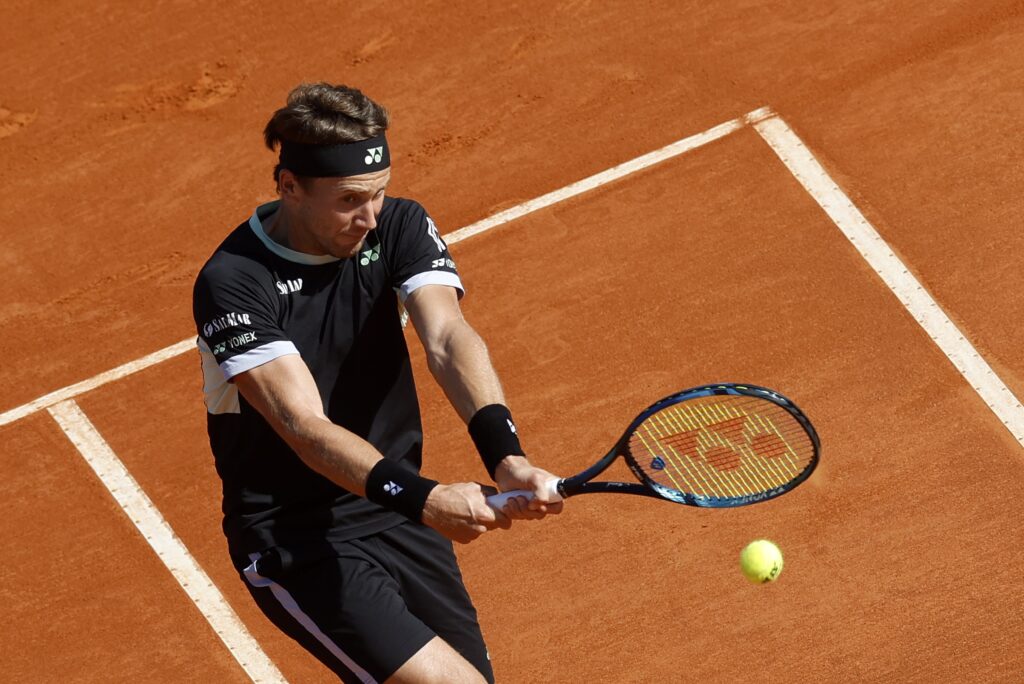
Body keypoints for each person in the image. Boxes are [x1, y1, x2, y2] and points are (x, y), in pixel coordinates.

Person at [192, 82, 562, 683]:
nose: (370, 217)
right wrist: (425, 499)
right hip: (300, 538)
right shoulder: (234, 281)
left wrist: (506, 455)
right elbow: (304, 427)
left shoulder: (399, 224)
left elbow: (447, 338)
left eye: (380, 195)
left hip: (397, 511)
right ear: (288, 186)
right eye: (348, 201)